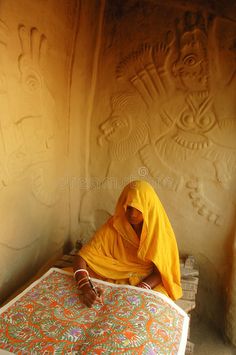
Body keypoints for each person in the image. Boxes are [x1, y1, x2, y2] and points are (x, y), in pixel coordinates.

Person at [73, 180, 182, 307]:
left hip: (144, 278)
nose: (132, 214)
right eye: (129, 208)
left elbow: (161, 271)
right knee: (83, 296)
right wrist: (85, 286)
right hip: (110, 276)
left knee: (153, 306)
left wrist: (141, 288)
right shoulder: (115, 226)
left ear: (148, 208)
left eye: (138, 209)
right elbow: (81, 257)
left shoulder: (159, 231)